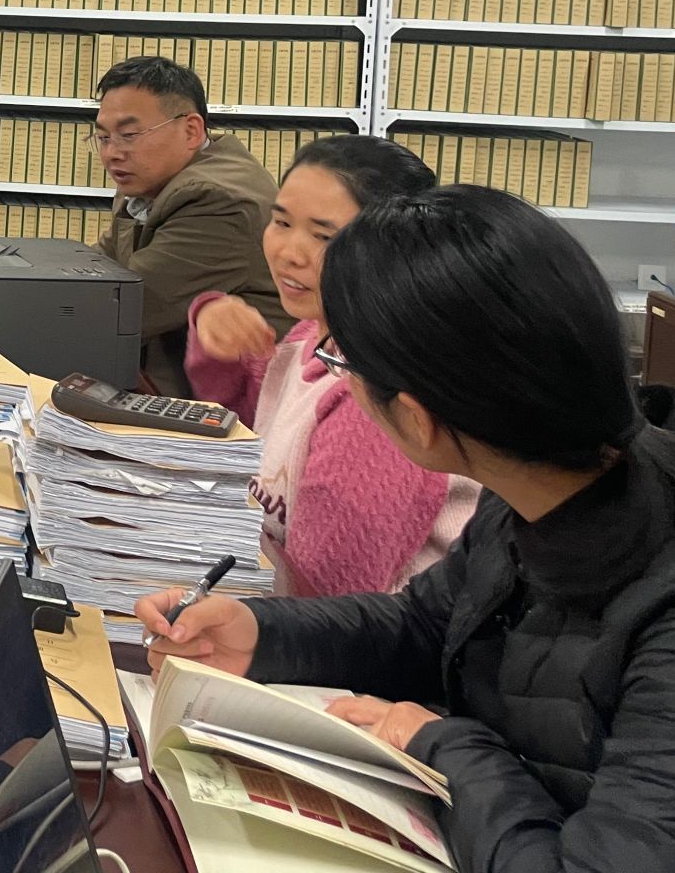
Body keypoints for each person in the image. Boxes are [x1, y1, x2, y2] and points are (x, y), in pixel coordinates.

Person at [139, 186, 675, 873]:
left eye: (342, 360)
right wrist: (261, 633)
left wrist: (444, 744)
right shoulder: (541, 478)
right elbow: (430, 625)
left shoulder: (663, 605)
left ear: (417, 419)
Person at [184, 135, 476, 598]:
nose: (290, 252)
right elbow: (257, 426)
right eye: (282, 222)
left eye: (324, 236)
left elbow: (331, 600)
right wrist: (214, 328)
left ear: (390, 248)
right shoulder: (317, 332)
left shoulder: (377, 398)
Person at [91, 56, 288, 394]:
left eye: (129, 134)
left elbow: (124, 310)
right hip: (170, 379)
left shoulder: (218, 201)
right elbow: (96, 267)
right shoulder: (148, 183)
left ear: (191, 130)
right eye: (103, 137)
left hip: (231, 402)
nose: (111, 154)